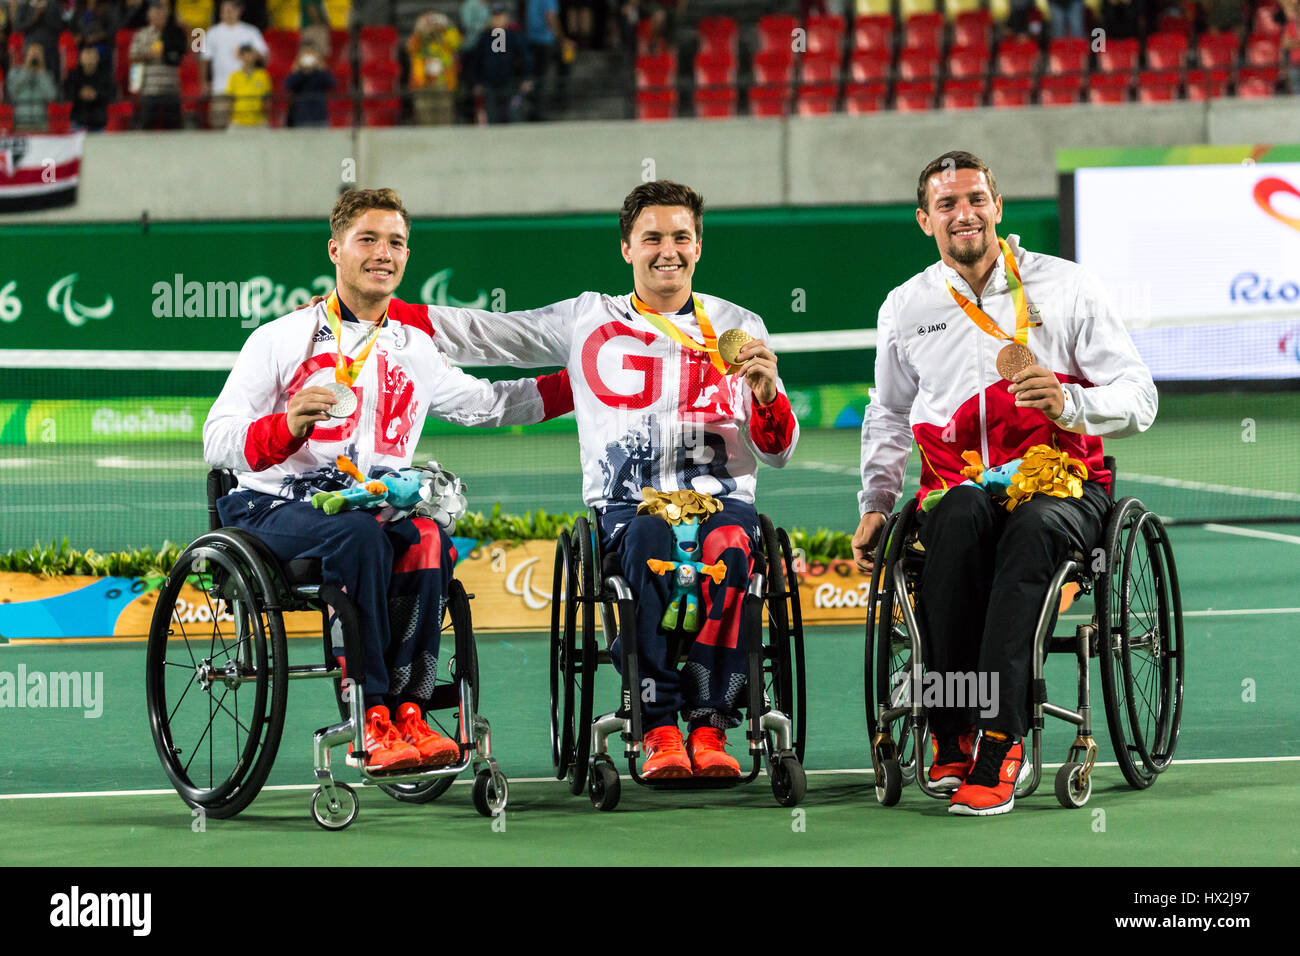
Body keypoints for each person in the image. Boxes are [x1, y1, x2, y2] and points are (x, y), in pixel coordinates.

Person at [395, 180, 799, 779]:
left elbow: (779, 452)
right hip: (629, 507)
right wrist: (371, 309)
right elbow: (488, 333)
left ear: (699, 246)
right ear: (626, 249)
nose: (668, 250)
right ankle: (659, 724)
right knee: (644, 546)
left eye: (681, 236)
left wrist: (766, 393)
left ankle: (711, 727)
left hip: (721, 506)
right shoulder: (589, 318)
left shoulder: (741, 325)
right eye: (652, 237)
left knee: (734, 552)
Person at [204, 188, 572, 771]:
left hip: (373, 510)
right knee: (360, 536)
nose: (383, 253)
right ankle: (369, 710)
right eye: (367, 239)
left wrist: (586, 381)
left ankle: (411, 710)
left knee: (426, 538)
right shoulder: (278, 339)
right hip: (271, 507)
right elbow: (218, 439)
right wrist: (287, 424)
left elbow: (491, 404)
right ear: (335, 250)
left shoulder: (414, 347)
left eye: (396, 242)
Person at [851, 151, 1157, 816]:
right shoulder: (906, 307)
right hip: (956, 488)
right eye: (947, 204)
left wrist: (1072, 405)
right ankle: (950, 727)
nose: (964, 213)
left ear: (997, 206)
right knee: (958, 518)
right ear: (924, 219)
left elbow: (1140, 396)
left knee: (1033, 531)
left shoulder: (1067, 287)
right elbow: (889, 415)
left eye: (975, 199)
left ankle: (998, 743)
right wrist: (877, 503)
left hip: (1063, 486)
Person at [462, 3, 532, 123]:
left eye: (501, 16)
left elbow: (525, 57)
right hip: (489, 84)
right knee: (492, 117)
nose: (498, 19)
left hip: (510, 82)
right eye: (495, 16)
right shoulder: (484, 38)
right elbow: (475, 62)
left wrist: (527, 78)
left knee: (513, 114)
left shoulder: (513, 36)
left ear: (506, 18)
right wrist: (476, 82)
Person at [201, 0, 268, 125]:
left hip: (245, 91)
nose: (226, 13)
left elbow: (263, 55)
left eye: (230, 10)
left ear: (239, 10)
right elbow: (204, 60)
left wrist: (247, 52)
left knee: (246, 130)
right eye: (224, 10)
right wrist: (204, 82)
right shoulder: (212, 33)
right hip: (221, 89)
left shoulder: (250, 32)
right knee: (220, 128)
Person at [130, 0, 185, 130]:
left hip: (171, 89)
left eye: (161, 14)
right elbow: (133, 58)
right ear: (149, 16)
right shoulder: (141, 34)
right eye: (155, 13)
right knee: (147, 127)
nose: (158, 16)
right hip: (150, 89)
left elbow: (187, 52)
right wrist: (150, 55)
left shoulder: (174, 32)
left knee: (174, 128)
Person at [406, 10, 460, 125]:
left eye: (434, 22)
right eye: (428, 22)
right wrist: (420, 30)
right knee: (423, 114)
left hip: (443, 82)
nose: (432, 25)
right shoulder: (418, 38)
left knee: (444, 113)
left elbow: (456, 43)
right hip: (423, 83)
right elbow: (411, 48)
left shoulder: (446, 36)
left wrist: (447, 25)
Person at [6, 41, 57, 130]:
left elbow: (51, 96)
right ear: (26, 54)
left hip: (42, 124)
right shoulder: (15, 72)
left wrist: (42, 73)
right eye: (32, 52)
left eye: (38, 53)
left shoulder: (47, 74)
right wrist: (26, 69)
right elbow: (12, 93)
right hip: (19, 123)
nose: (35, 55)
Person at [64, 43, 115, 130]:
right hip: (77, 121)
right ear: (80, 58)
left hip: (99, 123)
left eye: (92, 56)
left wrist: (96, 94)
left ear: (97, 58)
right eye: (87, 56)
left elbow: (112, 95)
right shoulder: (73, 75)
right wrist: (80, 94)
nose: (89, 59)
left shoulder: (105, 76)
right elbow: (66, 94)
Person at [285, 42, 334, 126]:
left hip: (320, 118)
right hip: (301, 117)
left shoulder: (320, 73)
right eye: (305, 54)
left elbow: (331, 84)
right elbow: (288, 86)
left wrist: (321, 67)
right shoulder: (298, 72)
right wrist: (299, 71)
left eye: (310, 53)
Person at [226, 42, 270, 127]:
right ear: (240, 56)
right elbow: (230, 100)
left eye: (251, 53)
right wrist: (229, 120)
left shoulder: (263, 75)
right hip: (238, 121)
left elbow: (267, 100)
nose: (249, 56)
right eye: (246, 53)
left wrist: (266, 119)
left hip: (258, 121)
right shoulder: (234, 76)